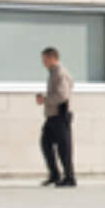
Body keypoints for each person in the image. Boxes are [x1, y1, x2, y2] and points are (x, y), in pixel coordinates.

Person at [36, 46, 77, 187]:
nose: (43, 62)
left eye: (44, 59)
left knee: (64, 148)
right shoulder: (53, 72)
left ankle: (69, 178)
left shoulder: (59, 73)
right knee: (45, 143)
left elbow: (63, 95)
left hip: (60, 115)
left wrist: (45, 100)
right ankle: (54, 174)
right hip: (52, 116)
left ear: (52, 58)